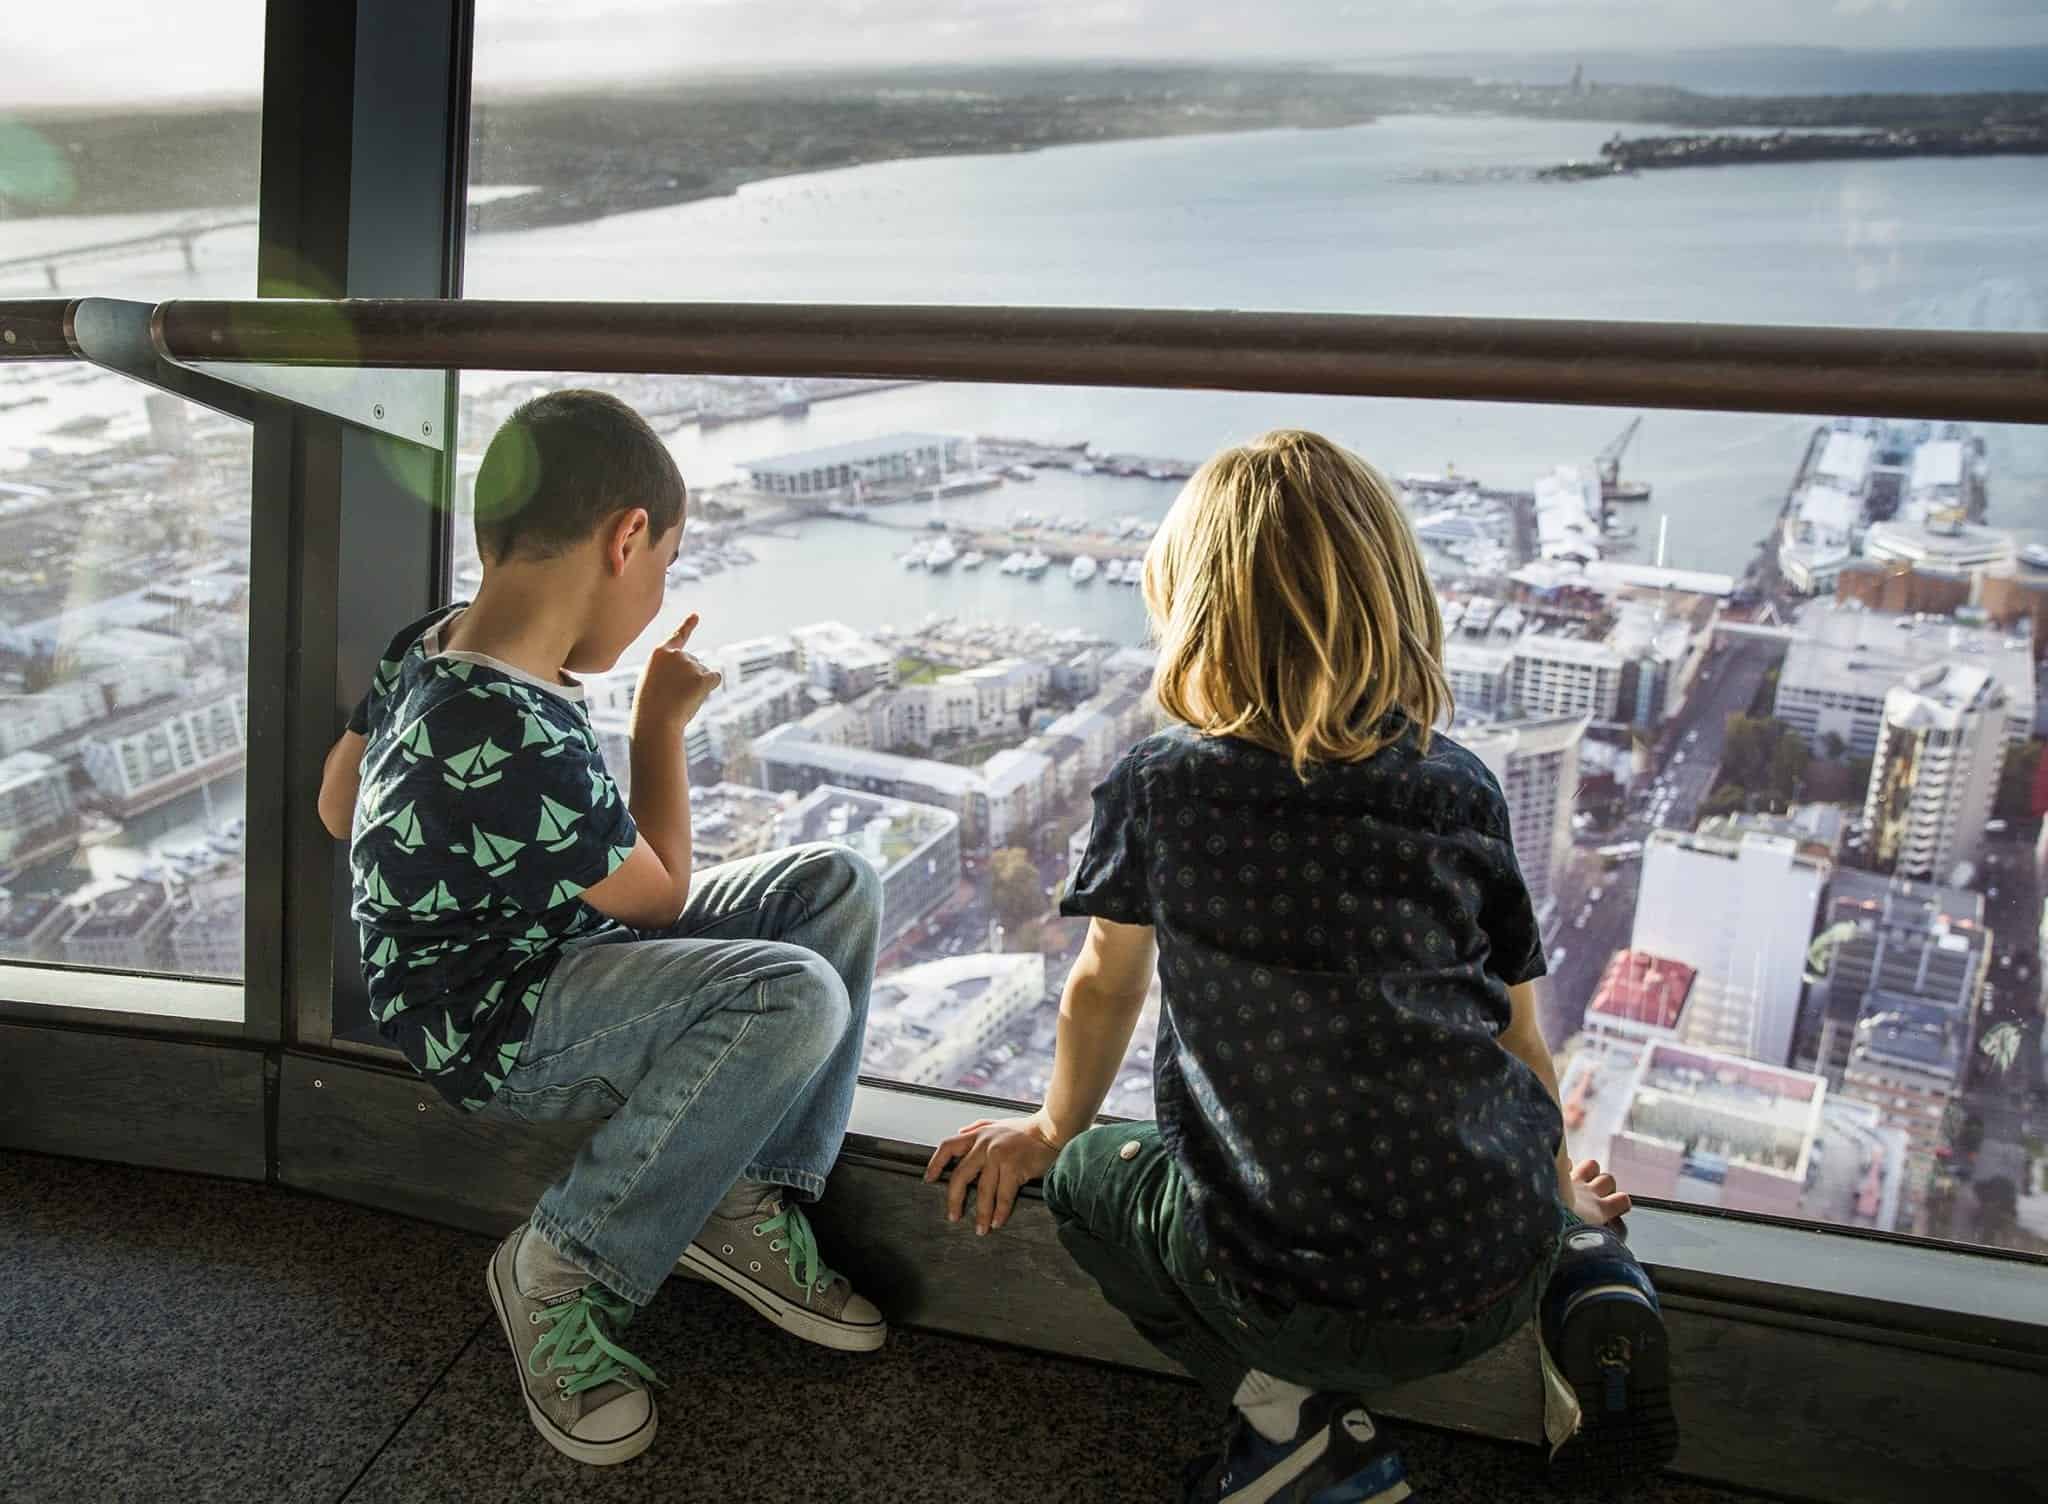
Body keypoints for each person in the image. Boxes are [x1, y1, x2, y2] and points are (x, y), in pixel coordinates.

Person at [924, 430, 1677, 1502]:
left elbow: (1103, 980)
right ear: (1395, 604)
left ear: (1189, 613)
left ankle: (1296, 1433)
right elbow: (1514, 1033)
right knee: (1489, 1150)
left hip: (1281, 1295)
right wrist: (1556, 1193)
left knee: (1093, 1185)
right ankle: (1585, 1266)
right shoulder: (1456, 787)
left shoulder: (1162, 788)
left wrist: (1049, 1130)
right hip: (1494, 1256)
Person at [316, 390, 886, 1467]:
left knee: (832, 885)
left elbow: (338, 805)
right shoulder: (518, 731)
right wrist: (661, 723)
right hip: (497, 1025)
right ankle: (561, 1261)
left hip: (532, 953)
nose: (657, 587)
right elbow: (662, 896)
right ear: (627, 538)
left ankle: (733, 1197)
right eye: (664, 563)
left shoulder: (431, 644)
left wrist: (450, 870)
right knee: (790, 988)